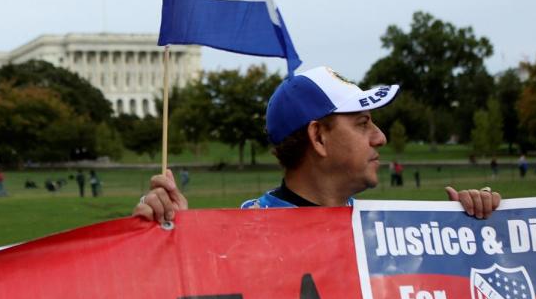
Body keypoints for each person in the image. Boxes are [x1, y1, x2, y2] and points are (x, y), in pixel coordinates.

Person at [135, 66, 500, 223]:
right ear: (318, 137)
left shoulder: (381, 234)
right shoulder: (246, 235)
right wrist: (175, 238)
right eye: (362, 124)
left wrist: (474, 230)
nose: (380, 137)